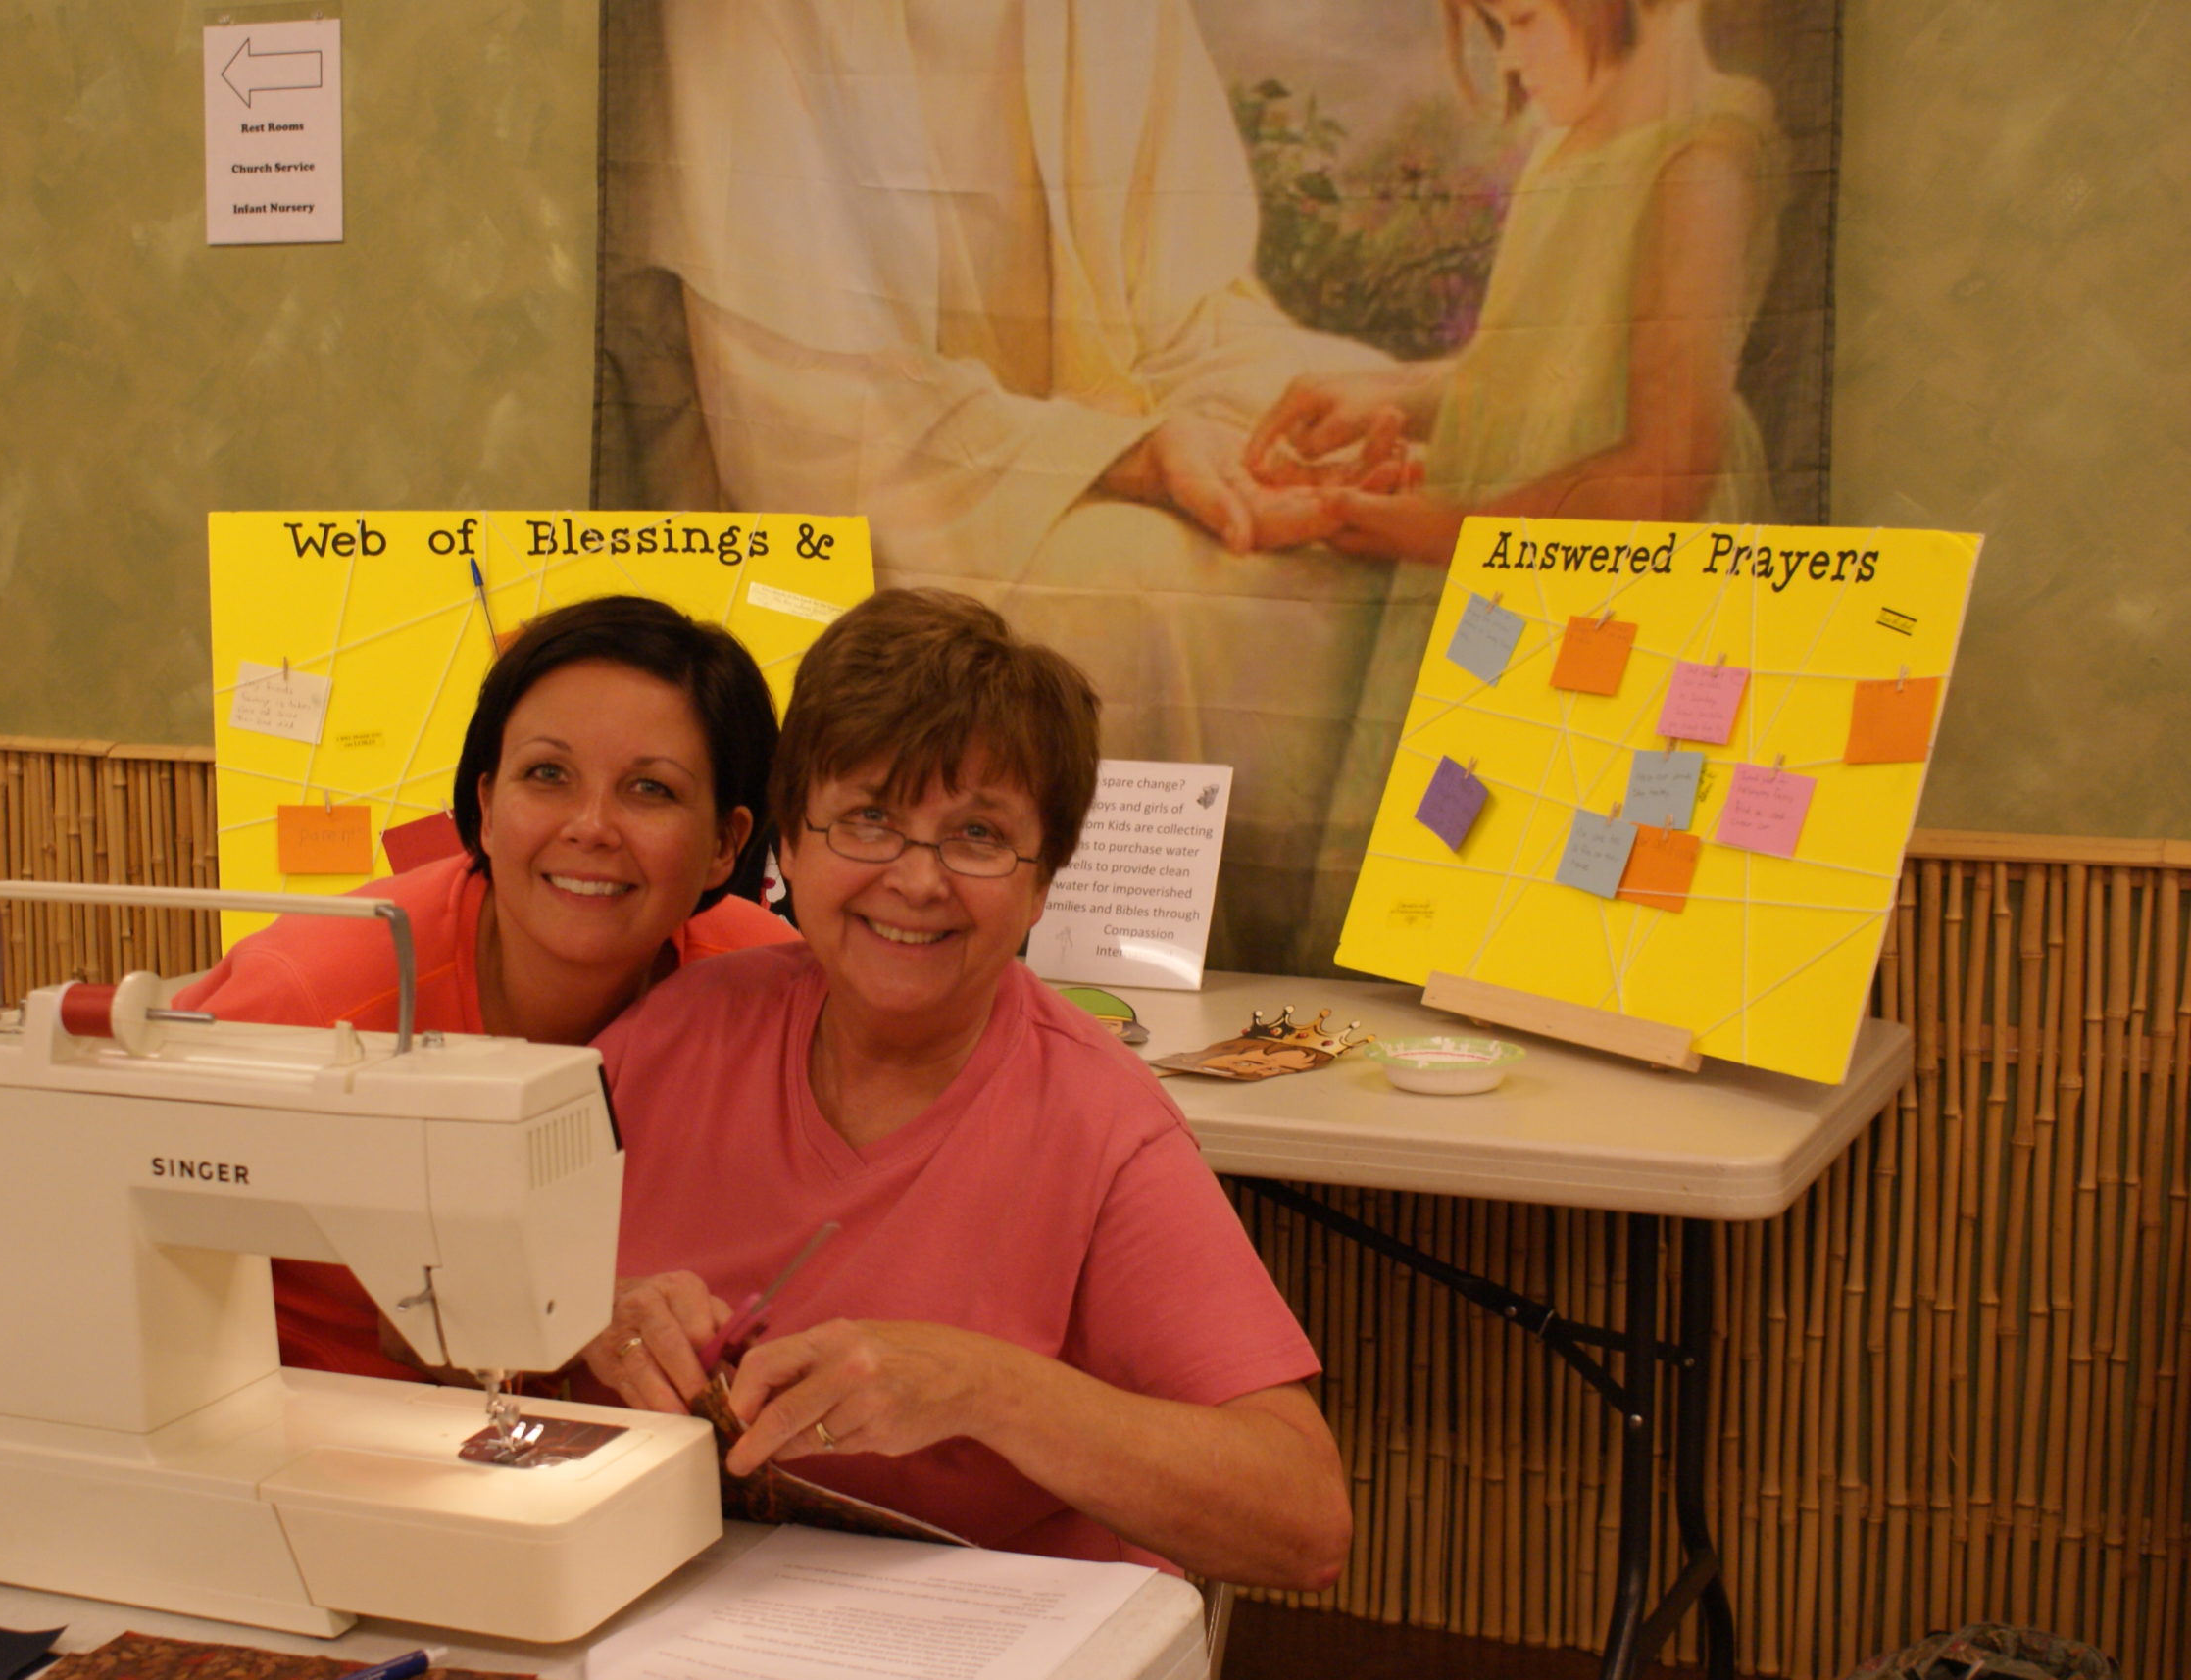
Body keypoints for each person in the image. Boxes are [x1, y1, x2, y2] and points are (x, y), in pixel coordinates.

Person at [599, 0, 1439, 972]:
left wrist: (1277, 438)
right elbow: (807, 420)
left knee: (1334, 552)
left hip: (1057, 460)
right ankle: (1105, 990)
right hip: (873, 511)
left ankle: (1328, 992)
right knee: (1155, 591)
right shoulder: (744, 23)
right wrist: (1132, 452)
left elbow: (1187, 320)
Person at [577, 590, 1352, 1589]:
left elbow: (1303, 1521)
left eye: (978, 835)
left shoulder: (1098, 1123)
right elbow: (425, 1313)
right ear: (789, 843)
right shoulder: (677, 1033)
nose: (917, 878)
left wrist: (985, 1389)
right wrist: (584, 1313)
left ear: (1040, 884)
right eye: (868, 818)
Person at [174, 595, 796, 1382]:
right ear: (486, 806)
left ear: (725, 844)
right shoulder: (315, 995)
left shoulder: (771, 992)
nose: (592, 826)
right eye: (547, 775)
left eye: (651, 791)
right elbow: (94, 1200)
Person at [1245, 0, 1786, 558]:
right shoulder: (1567, 146)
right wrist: (1389, 397)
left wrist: (1451, 534)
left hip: (1611, 578)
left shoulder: (1698, 169)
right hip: (1512, 551)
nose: (1505, 57)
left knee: (1550, 649)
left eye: (1523, 20)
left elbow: (1666, 471)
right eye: (1497, 27)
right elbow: (1552, 375)